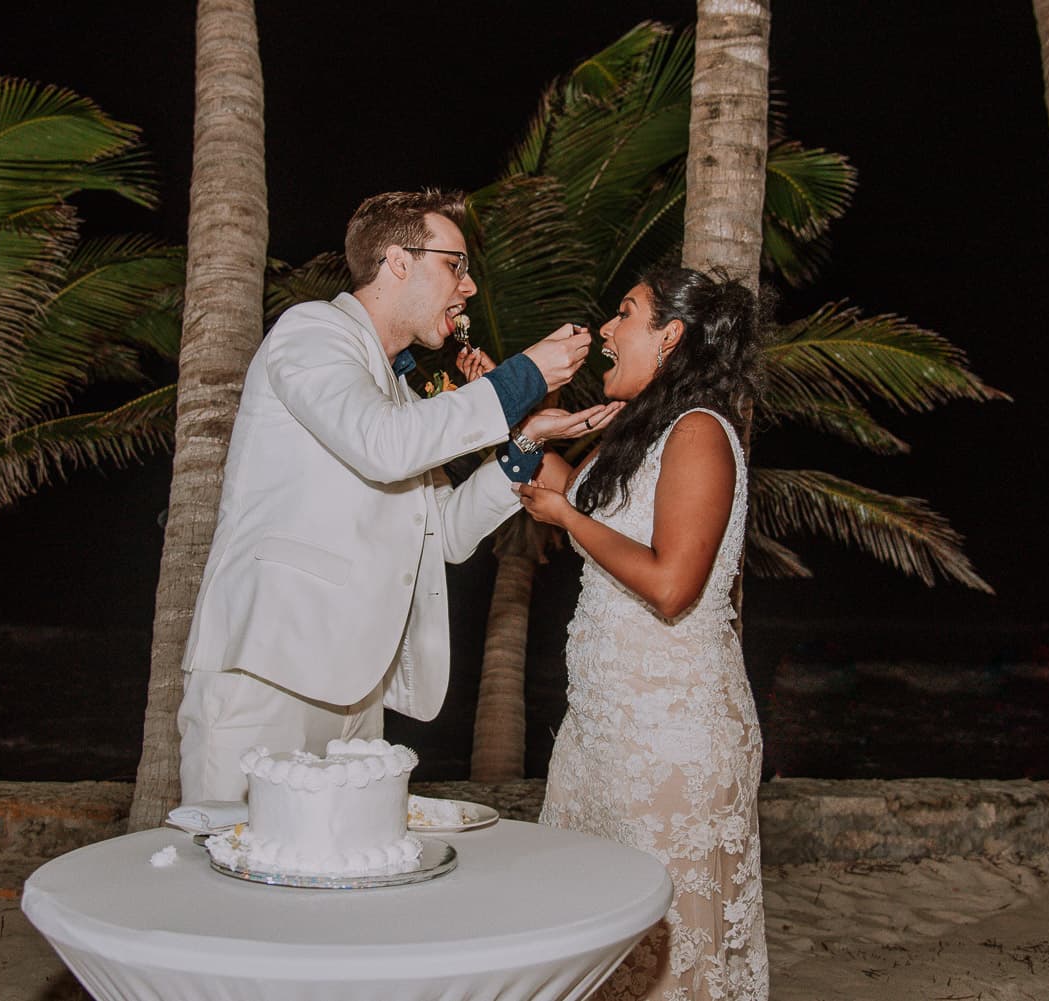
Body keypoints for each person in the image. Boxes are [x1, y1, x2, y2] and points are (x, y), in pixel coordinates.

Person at [177, 189, 615, 803]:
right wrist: (524, 377)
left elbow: (449, 534)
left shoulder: (398, 397)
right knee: (236, 868)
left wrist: (524, 443)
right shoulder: (310, 333)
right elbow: (384, 447)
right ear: (397, 261)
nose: (468, 288)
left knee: (344, 878)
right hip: (271, 671)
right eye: (454, 265)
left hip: (360, 686)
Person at [515, 266, 770, 1001]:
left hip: (671, 736)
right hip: (600, 732)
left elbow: (670, 584)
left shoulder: (700, 434)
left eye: (623, 313)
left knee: (666, 955)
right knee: (590, 940)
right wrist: (507, 417)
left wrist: (566, 520)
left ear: (670, 338)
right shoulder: (639, 432)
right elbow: (564, 487)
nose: (605, 330)